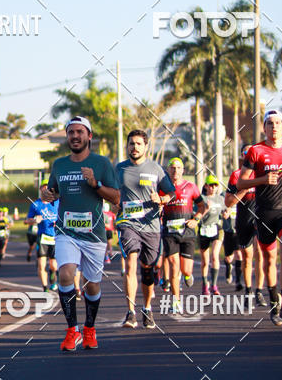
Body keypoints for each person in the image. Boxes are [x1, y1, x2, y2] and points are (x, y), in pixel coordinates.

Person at [42, 116, 120, 352]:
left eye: (79, 132)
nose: (75, 136)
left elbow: (116, 197)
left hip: (94, 234)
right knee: (66, 274)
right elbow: (51, 190)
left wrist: (95, 184)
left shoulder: (102, 163)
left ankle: (89, 329)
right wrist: (48, 194)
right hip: (66, 231)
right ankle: (71, 330)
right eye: (71, 132)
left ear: (89, 136)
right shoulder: (59, 164)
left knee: (91, 285)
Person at [237, 109, 282, 327]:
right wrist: (263, 179)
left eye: (277, 123)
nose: (274, 127)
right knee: (268, 260)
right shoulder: (255, 151)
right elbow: (241, 184)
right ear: (264, 128)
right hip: (264, 211)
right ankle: (275, 303)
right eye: (269, 123)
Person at [116, 130, 175, 328]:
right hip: (128, 223)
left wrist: (162, 199)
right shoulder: (119, 169)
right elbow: (111, 192)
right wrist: (114, 202)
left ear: (146, 146)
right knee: (131, 262)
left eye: (138, 144)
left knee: (148, 270)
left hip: (151, 225)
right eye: (131, 144)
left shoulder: (156, 169)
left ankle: (147, 308)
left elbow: (171, 192)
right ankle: (130, 312)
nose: (134, 147)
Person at [225, 143, 266, 308]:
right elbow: (229, 202)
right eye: (246, 153)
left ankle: (259, 291)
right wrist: (245, 187)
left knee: (261, 256)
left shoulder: (262, 173)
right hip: (243, 220)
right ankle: (248, 290)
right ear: (243, 156)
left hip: (260, 219)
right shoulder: (236, 175)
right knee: (247, 258)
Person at [160, 157, 203, 315]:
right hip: (170, 232)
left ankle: (188, 275)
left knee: (185, 270)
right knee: (173, 265)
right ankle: (176, 301)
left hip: (187, 232)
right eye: (172, 168)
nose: (175, 171)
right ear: (168, 170)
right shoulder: (163, 188)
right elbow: (157, 204)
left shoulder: (190, 186)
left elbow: (202, 206)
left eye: (178, 168)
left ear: (183, 170)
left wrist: (196, 219)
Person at [25, 184, 59, 291]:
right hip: (42, 238)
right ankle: (45, 288)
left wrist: (58, 223)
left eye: (47, 188)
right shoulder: (36, 204)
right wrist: (34, 220)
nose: (45, 190)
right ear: (40, 190)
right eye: (43, 188)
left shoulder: (57, 203)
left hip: (55, 238)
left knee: (53, 265)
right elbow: (26, 221)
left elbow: (64, 216)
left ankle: (53, 275)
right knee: (41, 265)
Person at [197, 175, 227, 295]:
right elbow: (197, 217)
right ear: (206, 186)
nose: (213, 188)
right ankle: (205, 285)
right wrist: (205, 210)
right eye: (211, 185)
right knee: (205, 260)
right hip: (204, 229)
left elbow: (225, 211)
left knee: (215, 256)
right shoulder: (201, 199)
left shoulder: (220, 199)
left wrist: (226, 213)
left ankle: (214, 285)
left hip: (217, 229)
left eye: (215, 185)